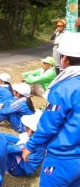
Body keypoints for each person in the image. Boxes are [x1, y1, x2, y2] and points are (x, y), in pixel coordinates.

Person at [22, 33, 80, 187]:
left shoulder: (64, 88)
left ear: (65, 58)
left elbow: (49, 125)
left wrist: (30, 146)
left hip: (63, 158)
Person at [2, 110, 45, 176]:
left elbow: (10, 149)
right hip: (25, 163)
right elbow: (17, 139)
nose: (24, 126)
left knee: (0, 149)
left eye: (25, 126)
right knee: (2, 141)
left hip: (22, 168)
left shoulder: (31, 144)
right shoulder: (36, 137)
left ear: (30, 130)